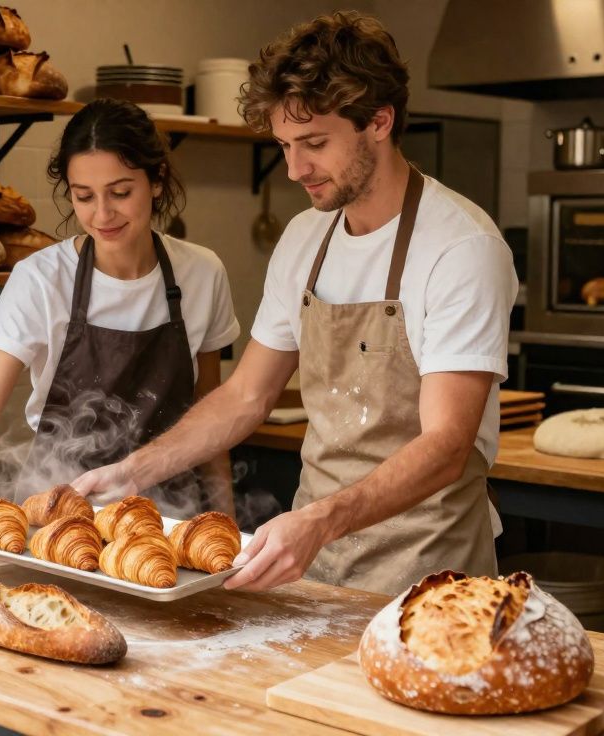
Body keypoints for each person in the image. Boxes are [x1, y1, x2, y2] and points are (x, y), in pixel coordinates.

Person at [73, 11, 517, 596]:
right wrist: (132, 471)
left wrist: (319, 520)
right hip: (315, 562)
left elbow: (446, 448)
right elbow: (246, 394)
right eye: (284, 145)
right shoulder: (308, 237)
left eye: (314, 144)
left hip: (430, 571)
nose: (294, 168)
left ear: (379, 121)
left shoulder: (462, 247)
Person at [0, 98, 241, 546]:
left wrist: (227, 528)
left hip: (169, 528)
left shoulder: (203, 273)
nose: (102, 215)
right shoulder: (41, 279)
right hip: (57, 522)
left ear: (157, 180)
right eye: (84, 196)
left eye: (121, 192)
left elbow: (212, 418)